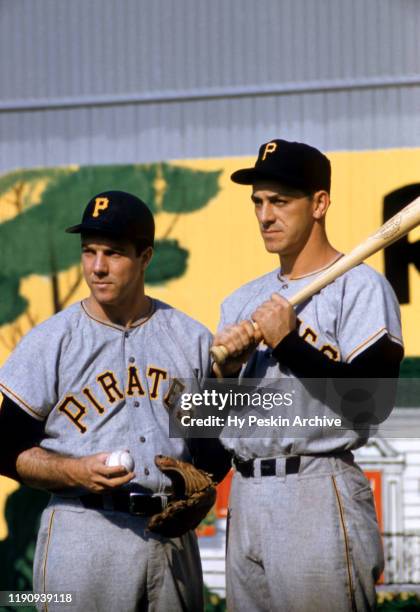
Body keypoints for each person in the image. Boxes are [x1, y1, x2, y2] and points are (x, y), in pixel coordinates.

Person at [0, 190, 228, 612]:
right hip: (84, 530)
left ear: (145, 257)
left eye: (114, 253)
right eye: (89, 252)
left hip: (170, 536)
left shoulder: (192, 338)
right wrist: (72, 470)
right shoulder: (52, 341)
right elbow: (3, 449)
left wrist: (199, 485)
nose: (98, 267)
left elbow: (212, 453)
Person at [211, 139, 404, 612]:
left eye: (280, 201)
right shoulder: (240, 301)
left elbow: (371, 403)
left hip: (316, 489)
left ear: (319, 203)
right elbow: (210, 419)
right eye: (258, 201)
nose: (265, 215)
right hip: (246, 494)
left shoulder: (360, 287)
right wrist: (224, 372)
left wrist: (288, 344)